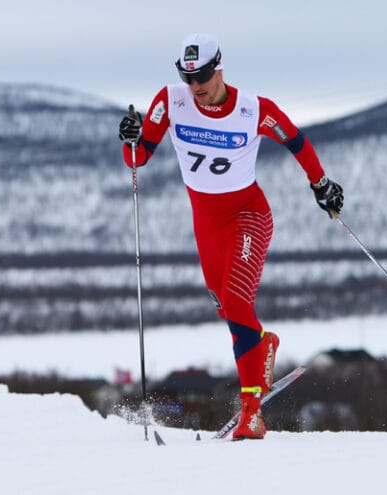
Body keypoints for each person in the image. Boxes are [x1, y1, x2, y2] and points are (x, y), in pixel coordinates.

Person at [118, 33, 343, 440]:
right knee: (227, 309)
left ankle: (252, 413)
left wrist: (320, 183)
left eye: (202, 75)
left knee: (238, 303)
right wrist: (130, 137)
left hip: (248, 216)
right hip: (206, 224)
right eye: (187, 77)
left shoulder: (253, 110)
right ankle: (263, 343)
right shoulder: (171, 101)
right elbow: (138, 157)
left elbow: (296, 140)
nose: (195, 86)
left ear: (219, 68)